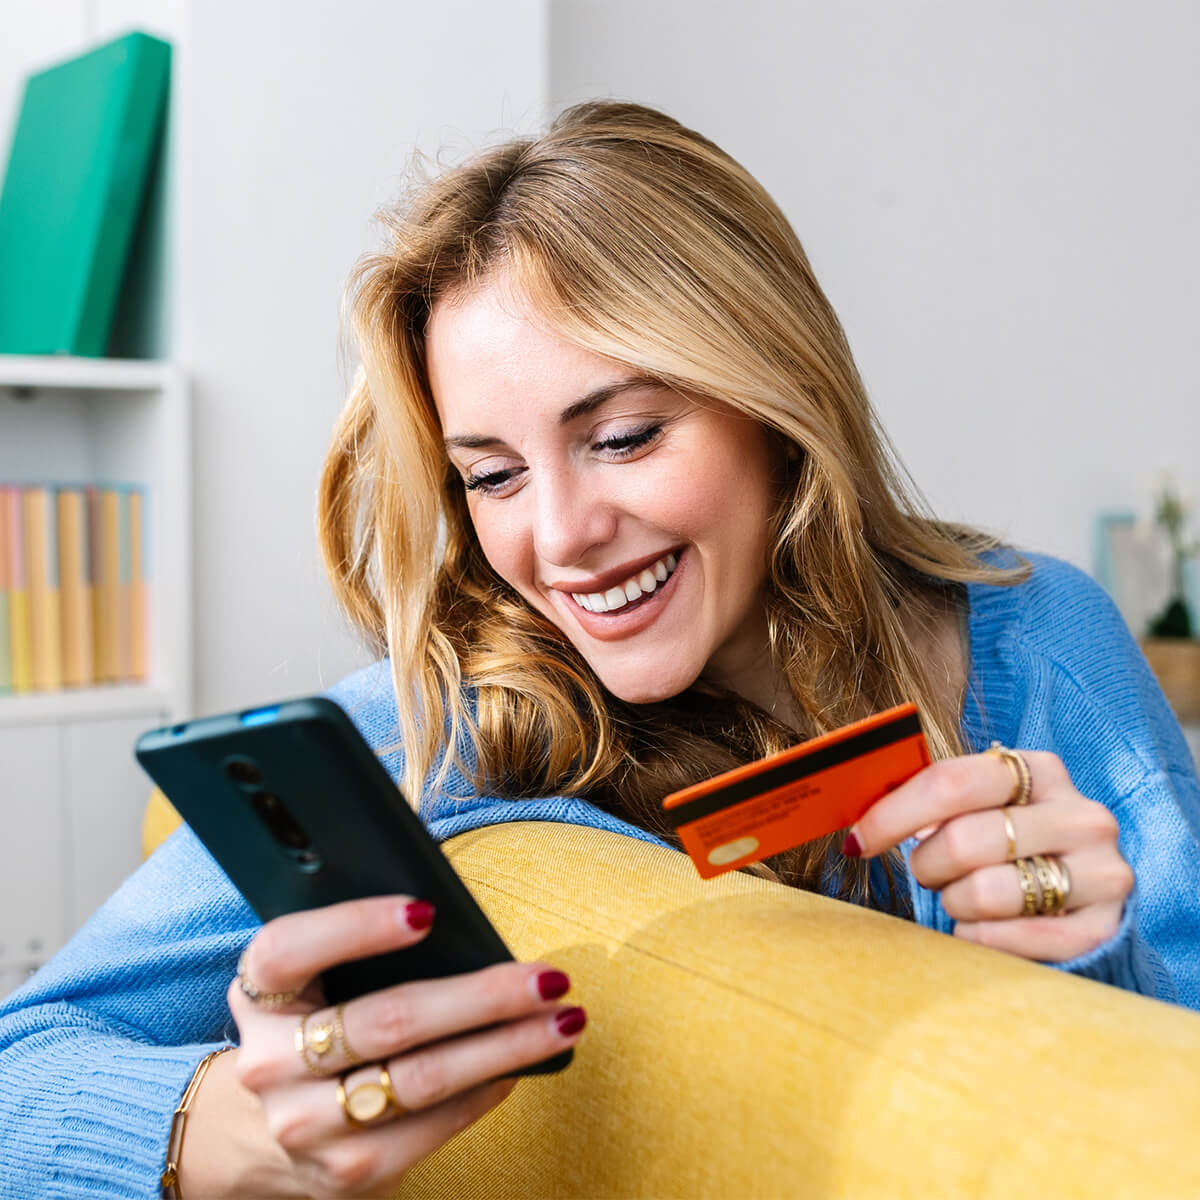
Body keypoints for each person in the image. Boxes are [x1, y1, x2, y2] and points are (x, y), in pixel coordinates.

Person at [2, 100, 1198, 1198]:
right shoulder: (430, 733)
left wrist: (1089, 960)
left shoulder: (1042, 636)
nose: (561, 536)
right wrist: (214, 1130)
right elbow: (22, 1067)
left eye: (623, 437)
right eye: (493, 476)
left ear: (776, 401)